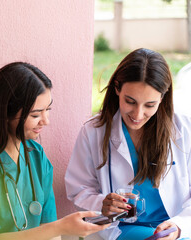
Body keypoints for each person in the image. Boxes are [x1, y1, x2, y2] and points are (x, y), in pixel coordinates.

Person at [0, 62, 109, 240]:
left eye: (48, 110)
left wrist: (57, 230)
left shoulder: (36, 155)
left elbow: (49, 229)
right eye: (35, 115)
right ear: (2, 112)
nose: (45, 121)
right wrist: (60, 227)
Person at [65, 48, 191, 240]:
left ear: (162, 97)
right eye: (130, 101)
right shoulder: (93, 132)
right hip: (122, 228)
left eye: (149, 105)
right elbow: (79, 190)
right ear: (117, 88)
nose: (138, 114)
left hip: (173, 228)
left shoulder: (184, 129)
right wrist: (102, 204)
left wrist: (179, 226)